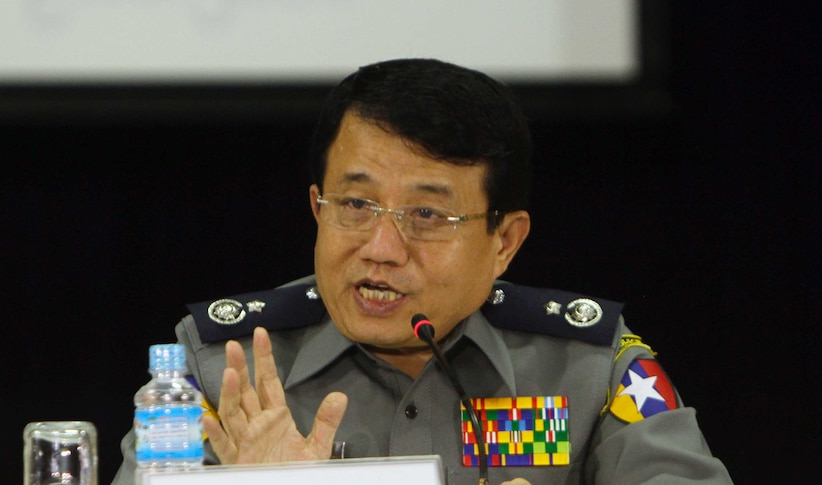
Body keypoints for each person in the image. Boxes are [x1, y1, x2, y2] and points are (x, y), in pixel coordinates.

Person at [111, 58, 732, 484]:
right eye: (355, 205)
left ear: (505, 241)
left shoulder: (589, 369)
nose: (382, 247)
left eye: (427, 214)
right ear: (315, 209)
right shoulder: (220, 373)